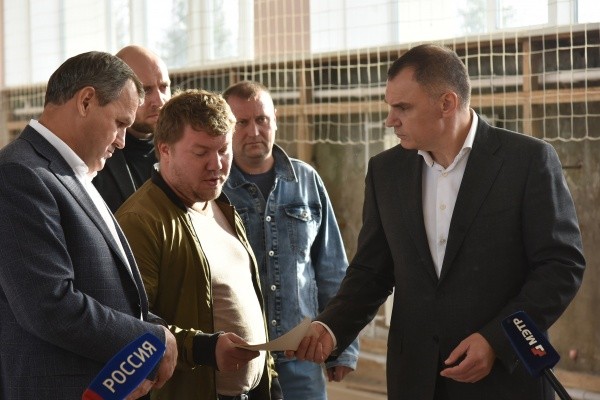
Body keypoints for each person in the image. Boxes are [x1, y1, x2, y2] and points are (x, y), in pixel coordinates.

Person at [289, 44, 586, 400]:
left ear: (446, 103)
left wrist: (496, 340)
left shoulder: (528, 160)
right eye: (390, 107)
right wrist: (331, 326)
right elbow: (372, 271)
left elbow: (561, 266)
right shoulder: (386, 171)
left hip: (505, 381)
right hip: (415, 379)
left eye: (403, 107)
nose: (390, 120)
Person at [0, 51, 177, 400]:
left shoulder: (73, 174)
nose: (122, 141)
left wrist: (156, 330)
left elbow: (108, 291)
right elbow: (49, 306)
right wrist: (148, 339)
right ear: (85, 102)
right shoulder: (19, 174)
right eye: (120, 123)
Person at [116, 89, 282, 400]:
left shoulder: (220, 204)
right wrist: (204, 348)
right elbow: (127, 326)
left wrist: (270, 383)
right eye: (201, 152)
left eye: (223, 150)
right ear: (165, 150)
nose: (216, 165)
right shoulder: (141, 221)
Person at [221, 81, 359, 400]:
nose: (254, 131)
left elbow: (332, 268)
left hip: (302, 357)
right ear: (226, 126)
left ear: (276, 119)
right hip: (239, 359)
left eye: (262, 119)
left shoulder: (307, 180)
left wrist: (342, 344)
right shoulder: (216, 189)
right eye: (242, 122)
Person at [93, 45, 171, 212]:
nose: (160, 101)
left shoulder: (183, 147)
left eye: (164, 87)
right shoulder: (94, 155)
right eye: (146, 90)